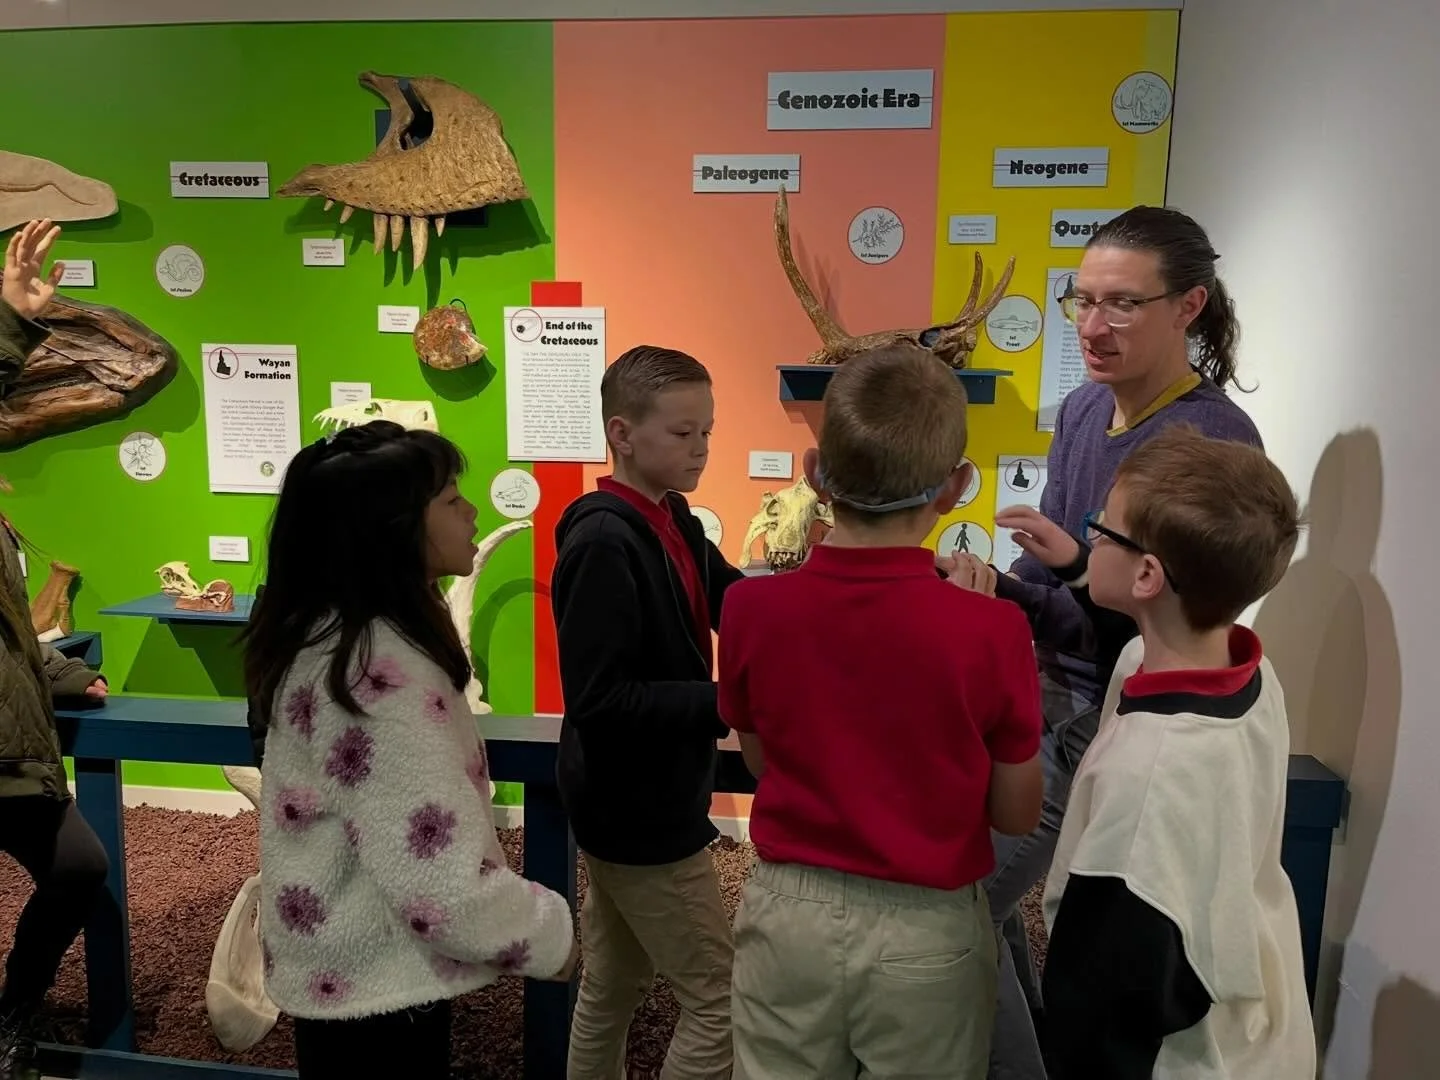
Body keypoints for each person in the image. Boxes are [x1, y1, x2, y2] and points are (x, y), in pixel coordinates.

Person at [944, 206, 1266, 1080]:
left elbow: (1159, 615)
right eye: (1082, 300)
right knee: (986, 893)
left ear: (1189, 305)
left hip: (1112, 706)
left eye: (1123, 303)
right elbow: (1058, 563)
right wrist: (1000, 586)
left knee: (965, 901)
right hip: (1051, 685)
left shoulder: (1213, 441)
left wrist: (1050, 579)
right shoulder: (1087, 407)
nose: (1093, 326)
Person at [718, 343, 1045, 1079]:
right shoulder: (992, 629)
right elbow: (1016, 812)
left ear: (814, 474)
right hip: (928, 927)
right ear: (956, 486)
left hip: (788, 916)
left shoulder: (748, 608)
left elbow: (762, 761)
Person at [243, 421, 578, 1080]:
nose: (471, 511)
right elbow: (437, 882)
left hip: (349, 973)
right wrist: (550, 935)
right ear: (392, 529)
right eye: (451, 499)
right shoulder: (377, 674)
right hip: (375, 993)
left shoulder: (331, 636)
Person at [995, 425, 1315, 1079]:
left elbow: (1108, 1003)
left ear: (1147, 574)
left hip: (1180, 1055)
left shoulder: (1148, 781)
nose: (1089, 540)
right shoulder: (1245, 667)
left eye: (1101, 529)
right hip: (1253, 1013)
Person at [550, 345, 743, 1079]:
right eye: (683, 433)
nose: (700, 449)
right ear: (622, 434)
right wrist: (729, 702)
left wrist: (831, 589)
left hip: (637, 799)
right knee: (722, 1001)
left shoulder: (673, 517)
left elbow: (734, 599)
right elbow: (599, 700)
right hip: (638, 811)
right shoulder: (603, 541)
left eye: (707, 432)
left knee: (613, 983)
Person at [0, 219, 110, 1080]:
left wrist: (61, 672)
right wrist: (11, 322)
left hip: (12, 749)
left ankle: (13, 1017)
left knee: (77, 866)